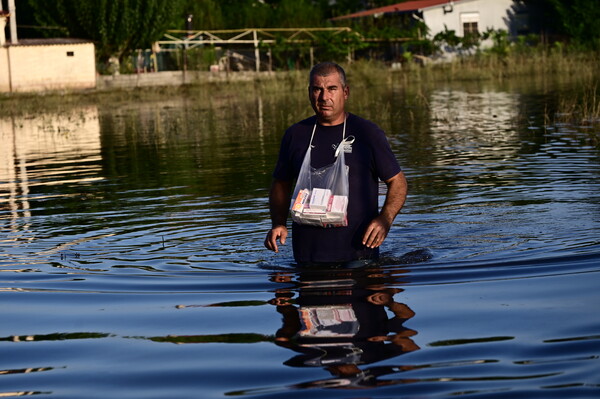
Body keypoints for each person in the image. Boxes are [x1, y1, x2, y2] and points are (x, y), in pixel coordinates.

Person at [264, 62, 407, 266]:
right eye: (317, 90)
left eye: (332, 89)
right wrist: (278, 223)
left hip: (358, 256)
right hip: (307, 258)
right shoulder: (296, 134)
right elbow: (281, 184)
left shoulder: (366, 133)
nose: (324, 97)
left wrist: (385, 219)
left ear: (345, 92)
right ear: (309, 93)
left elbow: (398, 182)